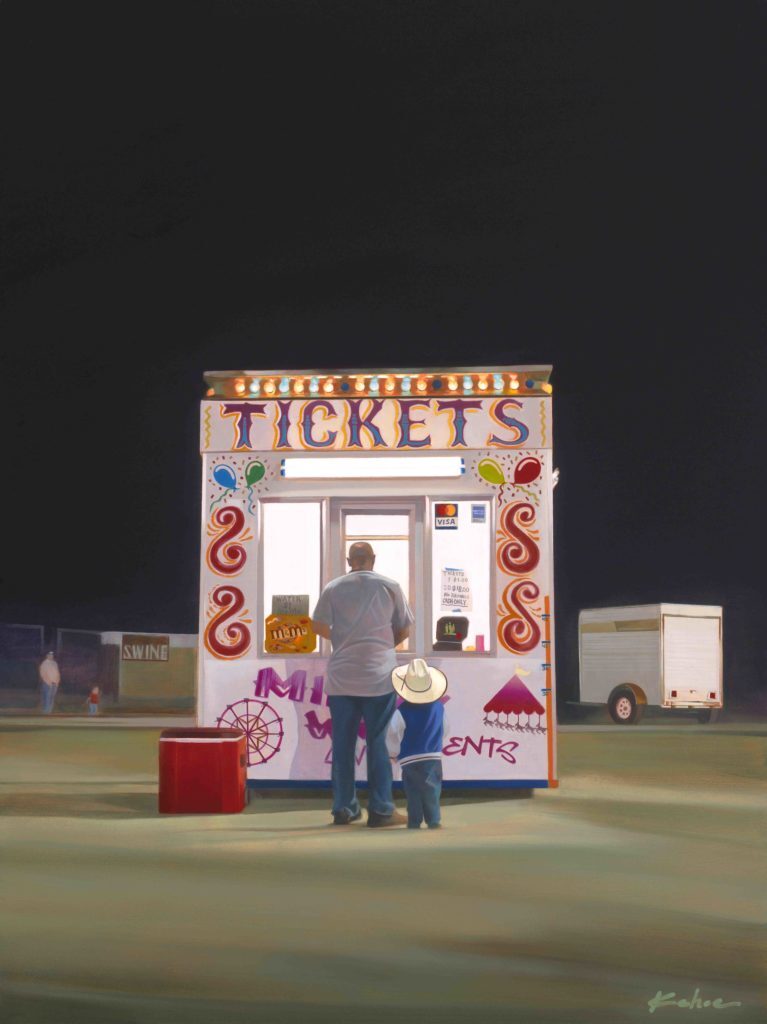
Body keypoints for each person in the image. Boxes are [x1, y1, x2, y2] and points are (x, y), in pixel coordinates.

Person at [312, 541, 414, 827]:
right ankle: (381, 810)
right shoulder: (390, 585)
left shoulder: (333, 587)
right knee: (378, 742)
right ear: (373, 559)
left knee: (342, 745)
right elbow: (404, 628)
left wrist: (343, 641)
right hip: (379, 678)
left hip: (342, 678)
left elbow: (317, 625)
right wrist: (382, 646)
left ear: (349, 560)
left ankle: (344, 809)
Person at [387, 659, 449, 829]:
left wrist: (392, 753)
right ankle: (433, 820)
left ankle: (414, 821)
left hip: (409, 759)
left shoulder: (401, 711)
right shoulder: (439, 708)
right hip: (433, 757)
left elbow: (393, 734)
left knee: (412, 791)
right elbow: (445, 729)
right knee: (432, 790)